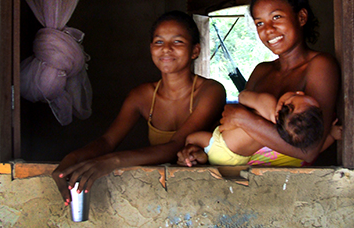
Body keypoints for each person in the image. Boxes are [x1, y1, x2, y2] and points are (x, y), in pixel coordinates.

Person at [52, 11, 226, 205]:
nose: (166, 49)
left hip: (208, 192)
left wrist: (111, 162)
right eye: (159, 42)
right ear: (151, 48)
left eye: (177, 42)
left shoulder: (211, 91)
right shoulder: (142, 96)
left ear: (195, 51)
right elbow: (108, 141)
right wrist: (71, 158)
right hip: (161, 193)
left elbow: (176, 145)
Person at [179, 0, 340, 167]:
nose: (268, 29)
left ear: (301, 17)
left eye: (277, 17)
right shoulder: (262, 70)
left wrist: (244, 118)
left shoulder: (320, 66)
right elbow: (232, 129)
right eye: (259, 23)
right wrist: (202, 152)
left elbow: (309, 149)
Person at [178, 90, 340, 166]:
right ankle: (198, 157)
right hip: (244, 159)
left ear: (282, 107)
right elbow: (312, 150)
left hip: (222, 148)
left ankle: (196, 156)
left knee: (191, 139)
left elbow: (243, 96)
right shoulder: (293, 139)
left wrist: (257, 105)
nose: (300, 90)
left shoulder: (268, 102)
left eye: (297, 95)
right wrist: (332, 136)